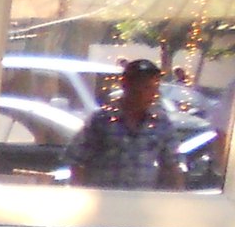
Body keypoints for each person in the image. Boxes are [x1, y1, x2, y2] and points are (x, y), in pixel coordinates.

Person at [69, 59, 183, 190]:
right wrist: (80, 194)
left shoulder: (161, 123)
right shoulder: (102, 120)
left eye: (153, 87)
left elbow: (172, 165)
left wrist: (177, 196)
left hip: (142, 198)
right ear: (126, 85)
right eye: (143, 86)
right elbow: (77, 161)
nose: (150, 93)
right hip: (105, 198)